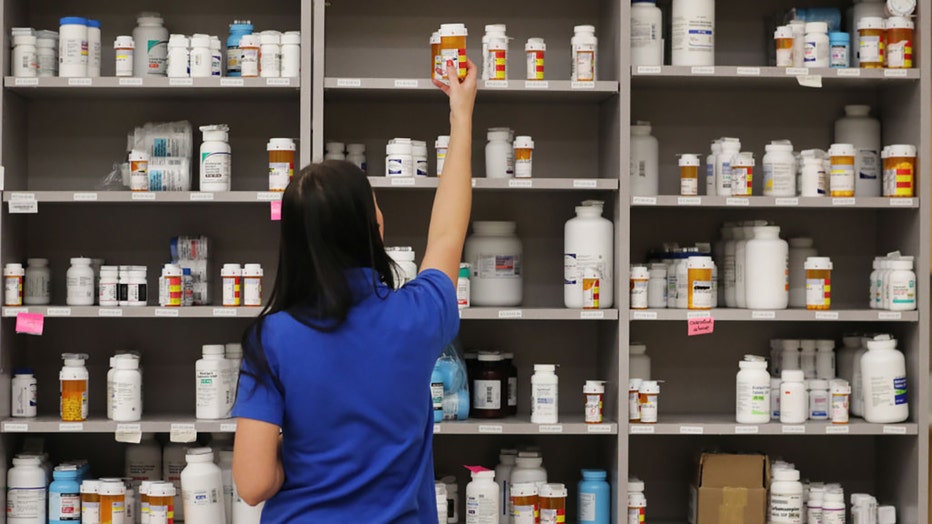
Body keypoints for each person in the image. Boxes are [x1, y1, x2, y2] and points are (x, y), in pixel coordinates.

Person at [231, 57, 478, 523]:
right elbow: (448, 233)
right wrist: (461, 115)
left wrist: (304, 458)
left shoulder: (272, 338)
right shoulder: (419, 315)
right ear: (374, 227)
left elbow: (253, 483)